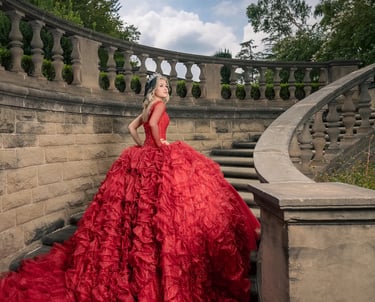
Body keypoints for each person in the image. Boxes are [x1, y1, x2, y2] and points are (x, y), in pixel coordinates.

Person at [0, 73, 260, 301]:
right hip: (158, 153)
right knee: (168, 203)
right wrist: (161, 146)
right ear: (153, 90)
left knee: (137, 206)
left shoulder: (146, 108)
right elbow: (157, 129)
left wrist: (140, 145)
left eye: (167, 85)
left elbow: (131, 128)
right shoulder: (158, 106)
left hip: (141, 154)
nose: (165, 89)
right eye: (161, 85)